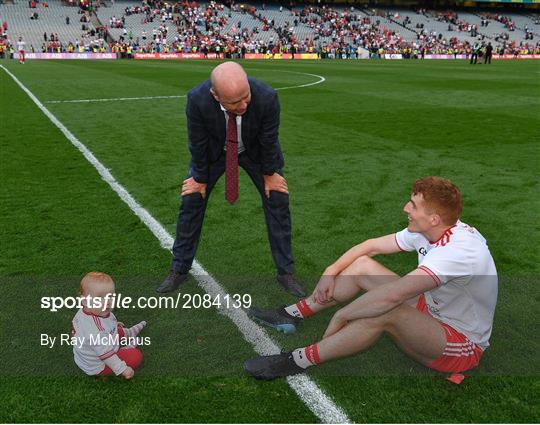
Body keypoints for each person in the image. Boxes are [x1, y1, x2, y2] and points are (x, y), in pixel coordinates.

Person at [245, 177, 498, 380]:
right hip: (430, 309)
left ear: (433, 218)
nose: (405, 208)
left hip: (460, 342)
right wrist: (331, 271)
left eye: (413, 205)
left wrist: (342, 315)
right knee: (362, 266)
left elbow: (393, 296)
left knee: (387, 311)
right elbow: (370, 247)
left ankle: (297, 360)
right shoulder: (430, 229)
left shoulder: (459, 251)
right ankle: (292, 314)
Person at [157, 62, 305, 297]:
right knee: (191, 199)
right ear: (215, 95)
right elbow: (197, 142)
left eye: (246, 97)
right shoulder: (197, 99)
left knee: (277, 198)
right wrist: (200, 179)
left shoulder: (266, 96)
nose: (244, 105)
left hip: (255, 152)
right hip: (215, 153)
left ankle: (285, 272)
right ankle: (179, 269)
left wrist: (270, 174)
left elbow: (269, 140)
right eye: (235, 103)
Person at [72, 272, 147, 379]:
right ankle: (126, 348)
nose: (107, 302)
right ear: (84, 301)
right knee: (135, 356)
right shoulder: (95, 331)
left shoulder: (88, 312)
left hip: (87, 355)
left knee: (117, 329)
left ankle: (129, 333)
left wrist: (114, 325)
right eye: (99, 298)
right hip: (98, 365)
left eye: (111, 296)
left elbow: (101, 326)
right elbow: (106, 355)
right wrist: (123, 369)